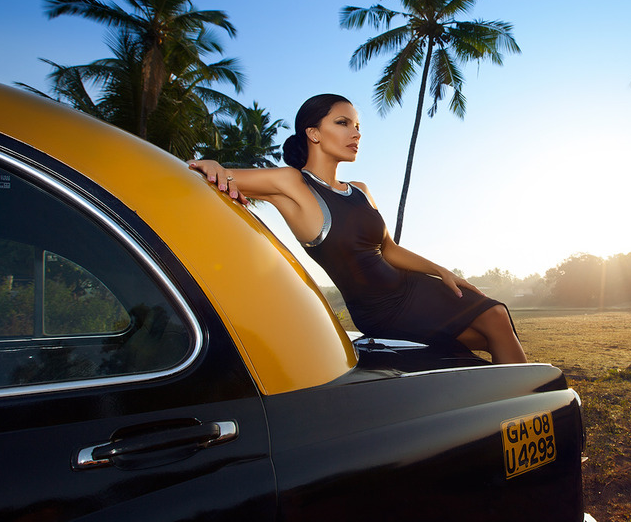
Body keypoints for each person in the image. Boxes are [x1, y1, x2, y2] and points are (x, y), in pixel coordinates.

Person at [189, 93, 527, 364]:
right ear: (313, 133)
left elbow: (389, 250)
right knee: (495, 317)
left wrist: (442, 271)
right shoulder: (293, 183)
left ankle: (522, 422)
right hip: (379, 309)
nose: (356, 133)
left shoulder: (361, 189)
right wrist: (216, 165)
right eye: (343, 123)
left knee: (492, 330)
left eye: (358, 125)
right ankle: (530, 414)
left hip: (412, 287)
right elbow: (216, 174)